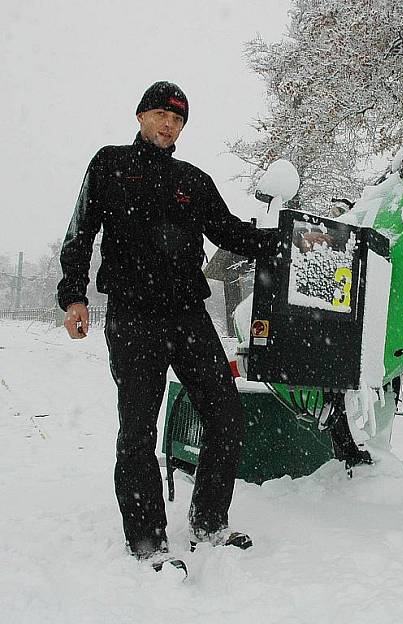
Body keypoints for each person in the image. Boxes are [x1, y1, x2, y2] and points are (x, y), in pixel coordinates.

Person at [57, 81, 273, 568]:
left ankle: (209, 525)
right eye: (160, 114)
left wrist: (286, 239)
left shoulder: (192, 180)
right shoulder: (109, 164)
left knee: (225, 416)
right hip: (133, 317)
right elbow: (80, 232)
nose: (168, 124)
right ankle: (148, 543)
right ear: (140, 116)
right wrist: (73, 296)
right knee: (137, 430)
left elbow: (229, 230)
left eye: (177, 119)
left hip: (187, 315)